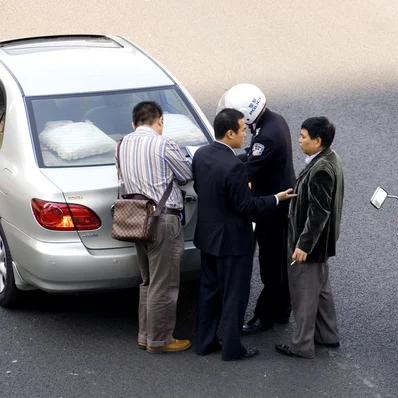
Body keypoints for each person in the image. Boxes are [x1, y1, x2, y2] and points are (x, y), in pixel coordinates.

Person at [192, 108, 296, 361]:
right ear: (229, 133)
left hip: (207, 236)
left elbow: (200, 186)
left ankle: (205, 342)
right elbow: (247, 207)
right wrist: (276, 198)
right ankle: (231, 348)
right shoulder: (235, 168)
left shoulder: (202, 155)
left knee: (209, 292)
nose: (245, 137)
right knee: (234, 296)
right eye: (241, 130)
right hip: (233, 241)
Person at [217, 83, 296, 334]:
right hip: (281, 202)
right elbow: (252, 156)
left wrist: (221, 167)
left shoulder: (265, 136)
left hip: (270, 208)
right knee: (280, 261)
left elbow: (250, 167)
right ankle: (282, 308)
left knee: (270, 264)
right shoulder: (274, 121)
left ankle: (265, 315)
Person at [117, 101, 193, 354]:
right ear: (159, 120)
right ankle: (160, 340)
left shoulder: (121, 145)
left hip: (135, 219)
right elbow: (185, 175)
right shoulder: (164, 144)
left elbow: (121, 178)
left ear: (134, 124)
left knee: (148, 281)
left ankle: (145, 335)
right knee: (165, 283)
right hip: (163, 219)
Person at [275, 117, 344, 359]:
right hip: (322, 245)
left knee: (304, 295)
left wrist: (303, 245)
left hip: (311, 246)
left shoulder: (321, 169)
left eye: (304, 136)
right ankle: (327, 335)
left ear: (318, 141)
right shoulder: (330, 158)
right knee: (322, 291)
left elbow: (319, 212)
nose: (300, 140)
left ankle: (302, 345)